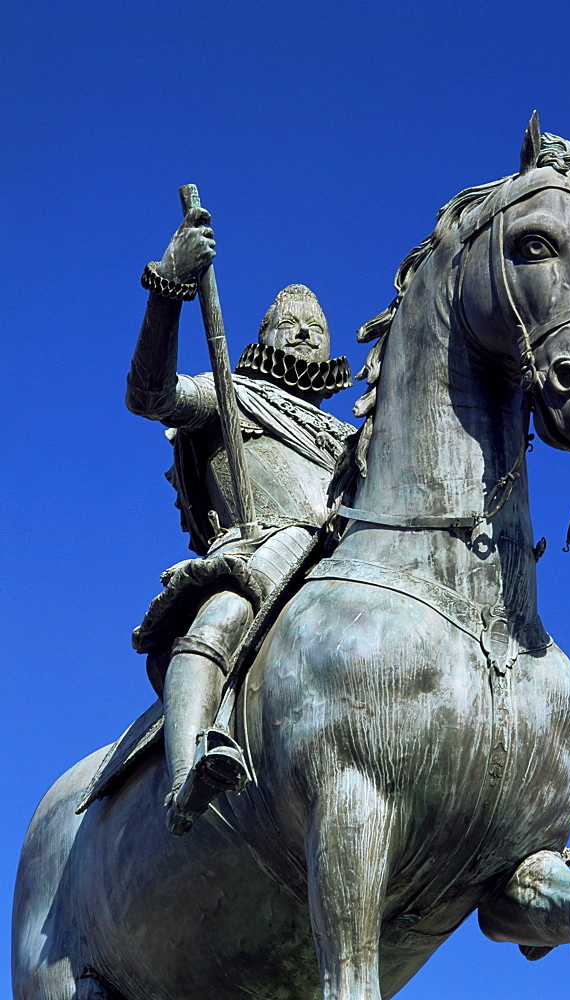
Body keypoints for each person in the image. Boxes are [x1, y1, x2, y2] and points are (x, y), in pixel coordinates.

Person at [126, 207, 353, 835]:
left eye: (317, 327)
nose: (306, 335)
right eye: (292, 324)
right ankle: (186, 773)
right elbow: (149, 395)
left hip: (340, 569)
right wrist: (169, 289)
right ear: (266, 333)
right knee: (225, 612)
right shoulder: (232, 397)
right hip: (260, 554)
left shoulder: (350, 440)